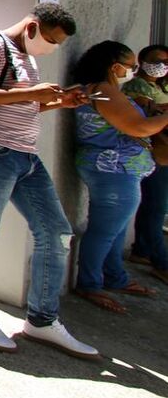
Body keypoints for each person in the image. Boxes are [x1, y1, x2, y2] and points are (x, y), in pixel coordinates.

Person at [0, 2, 98, 357]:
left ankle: (42, 320)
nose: (51, 47)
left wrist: (59, 102)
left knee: (56, 231)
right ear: (32, 26)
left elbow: (19, 104)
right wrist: (32, 94)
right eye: (50, 39)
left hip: (26, 157)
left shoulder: (27, 56)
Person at [71, 41, 167, 313]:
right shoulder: (103, 90)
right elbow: (137, 127)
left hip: (115, 171)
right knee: (104, 232)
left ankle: (114, 276)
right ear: (115, 66)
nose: (132, 71)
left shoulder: (102, 90)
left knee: (115, 230)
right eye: (130, 66)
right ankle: (89, 284)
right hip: (113, 171)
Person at [123, 44, 168, 285]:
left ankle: (142, 250)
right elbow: (146, 115)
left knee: (153, 205)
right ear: (142, 61)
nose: (162, 65)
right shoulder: (137, 87)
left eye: (165, 61)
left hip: (158, 151)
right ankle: (162, 263)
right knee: (155, 208)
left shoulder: (157, 86)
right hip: (153, 151)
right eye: (156, 60)